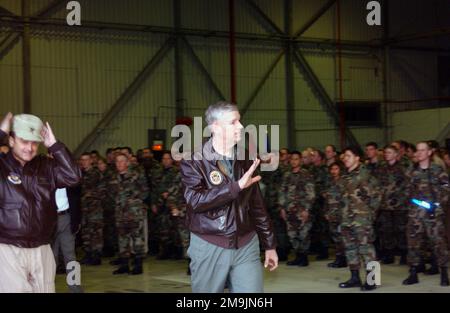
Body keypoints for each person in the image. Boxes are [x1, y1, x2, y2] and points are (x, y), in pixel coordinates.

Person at [179, 101, 278, 293]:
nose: (241, 126)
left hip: (246, 243)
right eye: (234, 122)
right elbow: (195, 201)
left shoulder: (245, 158)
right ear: (215, 126)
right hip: (210, 243)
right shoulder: (194, 161)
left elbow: (257, 205)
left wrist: (269, 244)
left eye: (239, 121)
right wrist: (236, 187)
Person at [0, 112, 81, 292]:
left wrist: (54, 145)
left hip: (43, 247)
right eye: (24, 141)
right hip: (8, 249)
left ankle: (75, 286)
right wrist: (0, 132)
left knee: (64, 264)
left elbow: (74, 177)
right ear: (11, 140)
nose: (30, 148)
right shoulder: (2, 166)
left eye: (34, 142)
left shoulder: (46, 166)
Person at [402, 142, 449, 287]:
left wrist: (438, 204)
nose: (420, 153)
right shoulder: (411, 171)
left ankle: (444, 273)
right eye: (418, 150)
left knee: (438, 243)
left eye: (423, 150)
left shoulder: (438, 170)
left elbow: (447, 189)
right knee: (413, 243)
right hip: (415, 213)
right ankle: (413, 272)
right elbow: (405, 191)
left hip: (433, 213)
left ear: (430, 152)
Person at [338, 147, 382, 291]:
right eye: (344, 156)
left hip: (361, 219)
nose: (345, 158)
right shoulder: (345, 177)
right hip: (347, 219)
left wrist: (369, 215)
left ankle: (372, 280)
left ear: (357, 158)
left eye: (349, 156)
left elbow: (376, 196)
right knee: (350, 249)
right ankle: (355, 277)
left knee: (367, 249)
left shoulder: (365, 175)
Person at [109, 153, 149, 275]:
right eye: (117, 161)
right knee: (122, 241)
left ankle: (138, 265)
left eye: (122, 161)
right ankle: (124, 265)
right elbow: (110, 194)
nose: (119, 164)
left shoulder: (136, 175)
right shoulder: (113, 178)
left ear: (127, 163)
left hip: (134, 213)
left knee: (137, 239)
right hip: (120, 214)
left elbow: (145, 191)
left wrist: (135, 200)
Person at [279, 151, 315, 266]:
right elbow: (282, 192)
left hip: (301, 211)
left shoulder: (306, 174)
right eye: (292, 159)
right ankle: (298, 256)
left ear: (300, 160)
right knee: (292, 235)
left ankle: (304, 258)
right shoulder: (287, 175)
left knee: (303, 235)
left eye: (296, 159)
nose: (294, 161)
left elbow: (311, 194)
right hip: (290, 211)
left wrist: (307, 209)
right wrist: (282, 208)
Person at [376, 145, 408, 265]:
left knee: (401, 230)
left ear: (396, 154)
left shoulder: (403, 168)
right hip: (384, 205)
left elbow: (407, 187)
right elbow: (376, 185)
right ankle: (389, 254)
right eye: (385, 152)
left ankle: (404, 254)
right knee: (386, 230)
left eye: (389, 152)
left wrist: (400, 200)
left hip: (399, 205)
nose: (386, 154)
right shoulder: (381, 168)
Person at [51, 185, 83, 293]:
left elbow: (77, 200)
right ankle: (47, 288)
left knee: (71, 258)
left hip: (67, 218)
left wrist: (77, 221)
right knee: (50, 258)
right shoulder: (47, 176)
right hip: (50, 220)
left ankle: (76, 290)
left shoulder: (71, 181)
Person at [79, 152, 103, 265]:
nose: (84, 162)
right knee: (86, 232)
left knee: (95, 232)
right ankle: (88, 254)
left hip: (94, 208)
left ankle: (96, 256)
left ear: (91, 161)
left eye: (86, 159)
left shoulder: (96, 173)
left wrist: (89, 194)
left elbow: (102, 190)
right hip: (84, 208)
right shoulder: (80, 174)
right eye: (82, 160)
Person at [322, 162, 347, 268]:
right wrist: (326, 212)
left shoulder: (344, 182)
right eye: (332, 169)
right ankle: (338, 258)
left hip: (341, 214)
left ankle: (343, 259)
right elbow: (326, 200)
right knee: (335, 237)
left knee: (342, 237)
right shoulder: (330, 182)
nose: (334, 171)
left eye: (336, 169)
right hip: (332, 214)